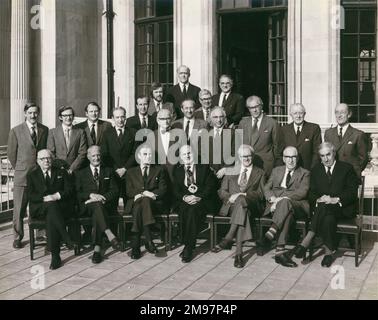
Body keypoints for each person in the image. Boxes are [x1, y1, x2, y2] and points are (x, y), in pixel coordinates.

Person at [293, 142, 359, 267]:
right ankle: (329, 254)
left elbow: (352, 192)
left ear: (334, 153)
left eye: (328, 154)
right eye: (322, 156)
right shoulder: (316, 170)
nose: (326, 159)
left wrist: (335, 199)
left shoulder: (346, 168)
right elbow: (311, 193)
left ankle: (305, 242)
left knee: (326, 208)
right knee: (327, 216)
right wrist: (318, 199)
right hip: (325, 210)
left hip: (342, 209)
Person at [257, 146, 310, 268]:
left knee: (286, 202)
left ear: (297, 158)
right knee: (287, 215)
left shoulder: (305, 173)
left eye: (293, 157)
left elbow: (302, 192)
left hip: (298, 206)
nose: (291, 160)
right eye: (287, 157)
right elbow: (266, 188)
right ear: (283, 159)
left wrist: (281, 199)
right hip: (277, 206)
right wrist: (271, 198)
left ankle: (270, 233)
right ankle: (279, 253)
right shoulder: (276, 170)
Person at [215, 145, 265, 268]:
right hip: (232, 206)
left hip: (252, 205)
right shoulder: (231, 170)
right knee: (243, 210)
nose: (246, 158)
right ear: (239, 157)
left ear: (252, 156)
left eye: (248, 156)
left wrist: (243, 194)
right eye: (243, 156)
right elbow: (222, 191)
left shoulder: (260, 172)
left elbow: (261, 194)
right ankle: (238, 254)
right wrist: (229, 197)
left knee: (243, 201)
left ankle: (228, 238)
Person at [7, 102, 49, 248]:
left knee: (38, 205)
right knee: (19, 208)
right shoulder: (16, 131)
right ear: (25, 113)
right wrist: (21, 168)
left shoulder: (44, 130)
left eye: (35, 112)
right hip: (22, 176)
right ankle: (17, 237)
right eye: (30, 113)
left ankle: (40, 235)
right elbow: (11, 155)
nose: (33, 115)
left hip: (39, 176)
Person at [27, 149, 75, 270]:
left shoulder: (61, 172)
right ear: (38, 161)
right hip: (40, 207)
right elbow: (30, 195)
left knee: (51, 214)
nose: (46, 161)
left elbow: (69, 190)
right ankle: (66, 238)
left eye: (48, 158)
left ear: (52, 159)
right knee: (51, 207)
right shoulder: (32, 175)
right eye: (43, 159)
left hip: (58, 207)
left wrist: (56, 196)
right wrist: (45, 198)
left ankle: (55, 256)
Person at [75, 145, 123, 264]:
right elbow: (77, 193)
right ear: (88, 157)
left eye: (98, 155)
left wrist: (103, 198)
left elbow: (115, 190)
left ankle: (97, 249)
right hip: (87, 206)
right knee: (97, 208)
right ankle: (108, 232)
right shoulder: (81, 173)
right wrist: (90, 195)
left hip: (104, 204)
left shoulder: (108, 171)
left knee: (98, 209)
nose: (96, 158)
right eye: (93, 156)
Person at [172, 145, 218, 263]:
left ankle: (188, 247)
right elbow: (175, 190)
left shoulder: (204, 168)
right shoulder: (177, 170)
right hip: (185, 200)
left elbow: (210, 186)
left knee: (192, 211)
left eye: (189, 153)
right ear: (181, 158)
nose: (187, 156)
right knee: (186, 210)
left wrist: (199, 197)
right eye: (184, 154)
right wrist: (185, 197)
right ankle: (189, 244)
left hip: (202, 200)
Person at [125, 145, 168, 259]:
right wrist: (145, 192)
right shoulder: (131, 172)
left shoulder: (159, 170)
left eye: (150, 154)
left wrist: (149, 195)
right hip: (136, 202)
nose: (148, 157)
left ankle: (136, 244)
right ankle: (149, 241)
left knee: (143, 203)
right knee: (142, 203)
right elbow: (129, 191)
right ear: (139, 156)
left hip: (154, 204)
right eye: (145, 154)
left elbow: (163, 189)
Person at [239, 95, 283, 177]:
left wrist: (276, 166)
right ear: (248, 109)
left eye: (257, 106)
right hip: (247, 165)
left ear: (261, 106)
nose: (255, 110)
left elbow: (278, 146)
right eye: (251, 108)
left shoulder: (272, 123)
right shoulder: (243, 123)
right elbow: (238, 144)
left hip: (266, 166)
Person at [101, 107, 136, 204]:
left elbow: (135, 153)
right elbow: (105, 154)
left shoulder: (133, 132)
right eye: (117, 117)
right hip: (113, 172)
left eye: (122, 117)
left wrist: (125, 168)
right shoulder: (107, 134)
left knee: (129, 201)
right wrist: (116, 168)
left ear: (125, 118)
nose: (120, 120)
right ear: (113, 118)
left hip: (129, 172)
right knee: (112, 201)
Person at [324, 103, 368, 178]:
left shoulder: (358, 134)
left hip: (350, 177)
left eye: (342, 112)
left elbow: (363, 159)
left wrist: (353, 172)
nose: (339, 115)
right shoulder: (329, 133)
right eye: (337, 112)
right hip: (333, 177)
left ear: (349, 114)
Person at [47, 105, 87, 174]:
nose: (68, 118)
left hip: (75, 171)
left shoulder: (80, 132)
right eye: (65, 115)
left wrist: (72, 168)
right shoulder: (52, 132)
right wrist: (61, 167)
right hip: (58, 170)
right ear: (60, 117)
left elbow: (82, 153)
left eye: (70, 115)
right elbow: (51, 153)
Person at [281, 103, 322, 170]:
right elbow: (281, 151)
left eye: (300, 113)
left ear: (304, 114)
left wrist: (312, 169)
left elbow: (317, 152)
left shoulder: (314, 128)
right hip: (290, 168)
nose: (298, 116)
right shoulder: (284, 129)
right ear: (291, 115)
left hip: (307, 169)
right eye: (295, 113)